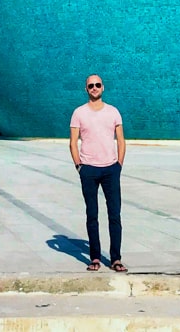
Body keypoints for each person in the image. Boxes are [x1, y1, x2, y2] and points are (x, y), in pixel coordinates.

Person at [69, 73, 126, 272]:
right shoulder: (79, 113)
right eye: (91, 85)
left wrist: (118, 165)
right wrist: (79, 166)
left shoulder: (113, 112)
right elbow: (73, 142)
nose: (94, 88)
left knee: (114, 214)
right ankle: (94, 257)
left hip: (111, 169)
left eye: (97, 85)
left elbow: (121, 140)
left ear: (103, 87)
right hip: (89, 169)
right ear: (86, 89)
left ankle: (116, 258)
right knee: (92, 214)